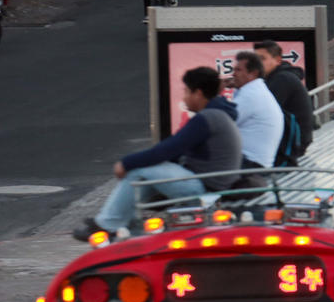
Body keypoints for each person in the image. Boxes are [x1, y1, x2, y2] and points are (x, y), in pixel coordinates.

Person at [72, 67, 242, 241]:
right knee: (146, 171)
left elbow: (167, 150)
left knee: (139, 170)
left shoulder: (207, 118)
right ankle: (118, 221)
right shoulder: (218, 115)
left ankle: (107, 226)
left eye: (186, 91)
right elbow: (173, 152)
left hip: (204, 189)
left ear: (198, 93)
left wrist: (126, 163)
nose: (184, 97)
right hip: (209, 184)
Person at [253, 40, 314, 164]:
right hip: (290, 141)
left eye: (262, 59)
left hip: (292, 145)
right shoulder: (273, 78)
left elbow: (262, 112)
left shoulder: (282, 79)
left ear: (278, 60)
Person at [231, 51, 285, 169]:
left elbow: (220, 124)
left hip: (250, 165)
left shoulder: (251, 94)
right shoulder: (254, 90)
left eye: (238, 70)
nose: (233, 74)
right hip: (248, 162)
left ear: (253, 74)